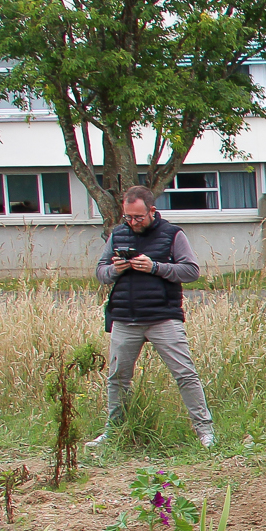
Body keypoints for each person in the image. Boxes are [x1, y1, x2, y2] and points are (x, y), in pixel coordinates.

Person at [91, 187, 216, 448]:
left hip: (163, 316)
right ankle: (114, 431)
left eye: (138, 217)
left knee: (185, 374)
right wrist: (115, 269)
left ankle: (205, 432)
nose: (133, 223)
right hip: (125, 317)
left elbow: (191, 271)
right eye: (128, 217)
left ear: (152, 211)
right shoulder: (118, 233)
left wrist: (155, 267)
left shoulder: (173, 234)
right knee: (117, 378)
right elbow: (100, 272)